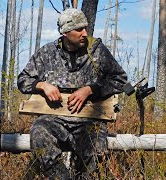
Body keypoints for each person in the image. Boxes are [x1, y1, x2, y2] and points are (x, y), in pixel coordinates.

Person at [17, 8, 127, 179]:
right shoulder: (47, 53)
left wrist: (90, 89)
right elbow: (22, 80)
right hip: (53, 119)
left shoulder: (97, 50)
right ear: (66, 33)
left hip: (89, 119)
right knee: (38, 134)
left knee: (96, 147)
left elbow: (120, 79)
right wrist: (42, 85)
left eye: (85, 28)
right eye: (79, 29)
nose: (85, 33)